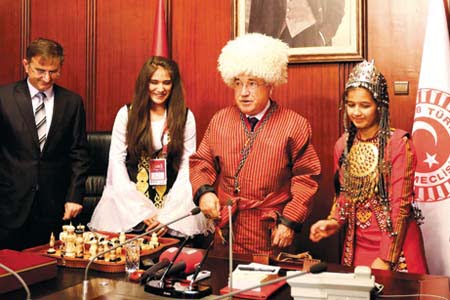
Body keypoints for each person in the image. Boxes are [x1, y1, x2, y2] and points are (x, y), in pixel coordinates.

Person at [189, 33, 321, 256]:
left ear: (270, 84)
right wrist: (204, 193)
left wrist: (290, 222)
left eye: (252, 83)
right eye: (238, 83)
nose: (243, 92)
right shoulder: (220, 120)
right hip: (227, 231)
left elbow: (306, 179)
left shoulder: (295, 125)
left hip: (271, 234)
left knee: (265, 290)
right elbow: (201, 162)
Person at [309, 60, 428, 273]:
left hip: (396, 248)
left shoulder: (399, 143)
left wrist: (386, 258)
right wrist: (333, 222)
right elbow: (344, 196)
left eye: (365, 105)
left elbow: (399, 207)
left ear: (380, 106)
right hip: (358, 245)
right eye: (350, 104)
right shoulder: (343, 145)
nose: (356, 112)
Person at [88, 56, 208, 238]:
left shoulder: (185, 116)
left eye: (166, 83)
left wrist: (168, 216)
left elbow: (187, 166)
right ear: (145, 83)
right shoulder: (126, 114)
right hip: (128, 203)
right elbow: (116, 163)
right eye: (154, 82)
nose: (160, 89)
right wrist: (142, 212)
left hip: (173, 202)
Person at [0, 38, 90, 250]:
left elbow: (79, 153)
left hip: (54, 206)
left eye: (54, 71)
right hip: (9, 205)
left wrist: (75, 196)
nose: (47, 78)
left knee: (50, 274)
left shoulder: (72, 102)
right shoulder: (4, 98)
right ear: (25, 64)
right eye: (40, 70)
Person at [247, 0, 345, 47]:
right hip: (273, 38)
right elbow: (256, 12)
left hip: (311, 36)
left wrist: (322, 36)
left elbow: (337, 11)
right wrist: (256, 44)